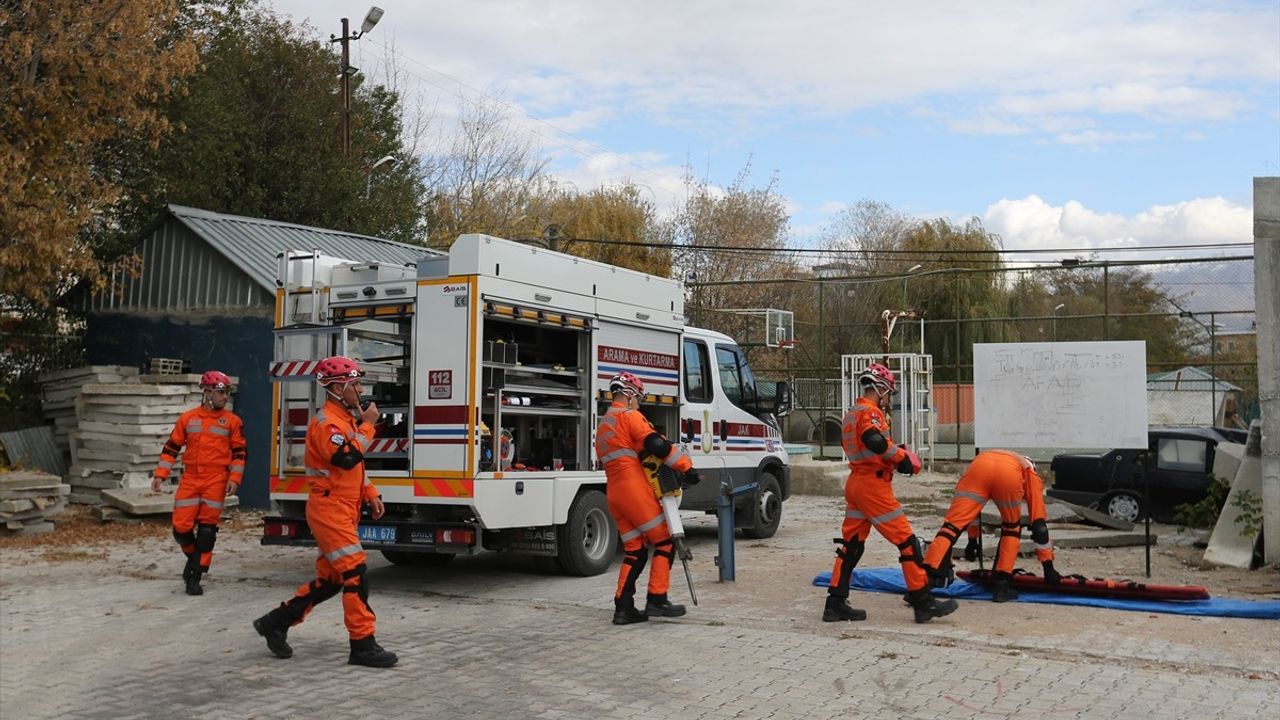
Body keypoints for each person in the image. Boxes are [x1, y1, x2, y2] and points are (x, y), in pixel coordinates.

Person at [253, 356, 398, 667]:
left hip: (342, 508)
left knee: (331, 580)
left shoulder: (345, 421)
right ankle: (363, 644)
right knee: (356, 573)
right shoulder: (327, 424)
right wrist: (369, 426)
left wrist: (371, 493)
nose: (360, 390)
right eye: (355, 384)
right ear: (337, 388)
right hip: (329, 509)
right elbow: (345, 458)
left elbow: (354, 469)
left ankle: (275, 622)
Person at [823, 362, 958, 624]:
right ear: (880, 387)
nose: (887, 398)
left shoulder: (852, 412)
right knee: (906, 541)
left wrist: (895, 453)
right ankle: (922, 601)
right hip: (874, 486)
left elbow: (867, 443)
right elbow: (874, 440)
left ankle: (835, 602)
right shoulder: (871, 413)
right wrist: (902, 458)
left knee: (851, 546)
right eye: (888, 392)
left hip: (857, 482)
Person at [595, 371, 700, 625]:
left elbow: (640, 452)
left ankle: (623, 608)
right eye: (638, 398)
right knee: (665, 541)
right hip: (633, 490)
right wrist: (687, 468)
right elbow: (657, 445)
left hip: (615, 493)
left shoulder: (605, 423)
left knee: (635, 550)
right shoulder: (630, 416)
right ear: (629, 395)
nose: (639, 404)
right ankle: (657, 598)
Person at [151, 370, 245, 596]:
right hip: (191, 477)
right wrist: (160, 474)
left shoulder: (232, 421)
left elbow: (240, 453)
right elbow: (171, 447)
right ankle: (195, 559)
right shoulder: (188, 419)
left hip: (216, 478)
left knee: (207, 530)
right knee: (181, 529)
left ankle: (195, 574)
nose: (225, 397)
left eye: (227, 393)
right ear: (207, 393)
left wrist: (234, 478)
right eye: (221, 393)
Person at [922, 449, 1061, 602]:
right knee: (1011, 528)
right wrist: (1049, 569)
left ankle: (923, 582)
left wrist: (972, 541)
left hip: (979, 466)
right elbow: (1039, 525)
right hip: (1008, 475)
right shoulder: (1029, 472)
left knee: (951, 527)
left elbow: (973, 512)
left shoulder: (1001, 456)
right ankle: (1001, 585)